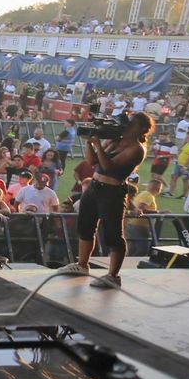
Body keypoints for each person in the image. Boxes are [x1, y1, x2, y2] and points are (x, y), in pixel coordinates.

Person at [58, 114, 153, 289]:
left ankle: (113, 275)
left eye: (132, 123)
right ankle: (82, 265)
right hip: (94, 186)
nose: (127, 125)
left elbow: (109, 166)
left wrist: (97, 145)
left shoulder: (137, 149)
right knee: (85, 227)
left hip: (112, 192)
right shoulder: (115, 141)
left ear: (140, 129)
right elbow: (93, 161)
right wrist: (89, 142)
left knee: (113, 234)